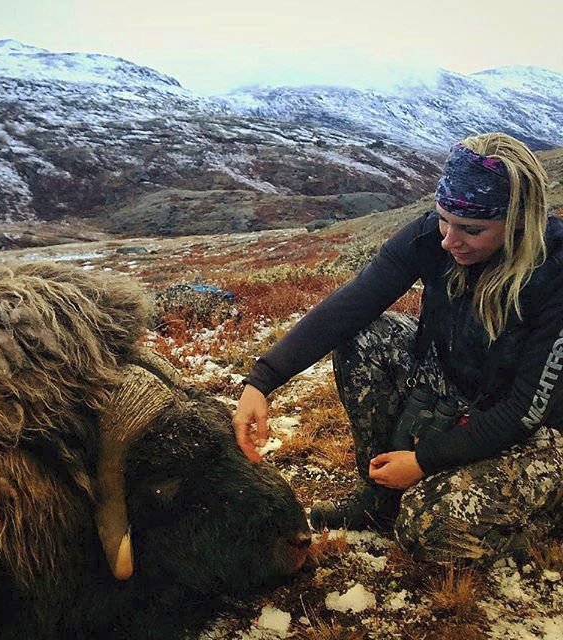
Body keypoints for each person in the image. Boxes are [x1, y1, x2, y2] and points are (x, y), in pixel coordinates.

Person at [233, 132, 563, 563]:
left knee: (428, 527)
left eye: (472, 229)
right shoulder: (433, 237)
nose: (449, 240)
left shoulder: (554, 271)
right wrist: (263, 380)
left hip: (541, 429)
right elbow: (352, 305)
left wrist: (425, 461)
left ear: (519, 220)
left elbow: (525, 411)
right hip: (463, 386)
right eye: (444, 218)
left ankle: (546, 515)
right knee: (365, 337)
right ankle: (379, 494)